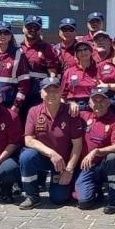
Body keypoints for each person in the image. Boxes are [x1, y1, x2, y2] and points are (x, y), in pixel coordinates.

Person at [20, 77, 83, 209]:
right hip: (45, 157)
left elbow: (77, 145)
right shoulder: (34, 111)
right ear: (41, 94)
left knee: (58, 199)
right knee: (26, 157)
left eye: (55, 91)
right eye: (47, 91)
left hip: (64, 162)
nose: (51, 94)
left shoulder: (70, 112)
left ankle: (68, 183)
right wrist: (51, 153)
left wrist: (69, 170)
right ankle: (32, 195)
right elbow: (28, 140)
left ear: (61, 93)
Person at [76, 86, 115, 213]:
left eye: (102, 100)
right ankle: (96, 190)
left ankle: (114, 200)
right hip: (87, 166)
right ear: (89, 103)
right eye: (95, 100)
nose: (98, 104)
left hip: (105, 166)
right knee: (84, 203)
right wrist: (70, 105)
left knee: (113, 157)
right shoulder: (83, 116)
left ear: (108, 102)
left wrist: (97, 151)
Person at [19, 15, 60, 113]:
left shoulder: (47, 48)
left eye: (36, 27)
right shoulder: (18, 47)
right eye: (29, 27)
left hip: (37, 92)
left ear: (40, 30)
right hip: (20, 91)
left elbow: (52, 73)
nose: (32, 29)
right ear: (23, 29)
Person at [61, 40, 98, 110]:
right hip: (73, 107)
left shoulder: (98, 70)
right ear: (76, 54)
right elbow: (62, 96)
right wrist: (68, 105)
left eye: (85, 49)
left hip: (93, 106)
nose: (83, 52)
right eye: (79, 50)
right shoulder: (69, 72)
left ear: (91, 51)